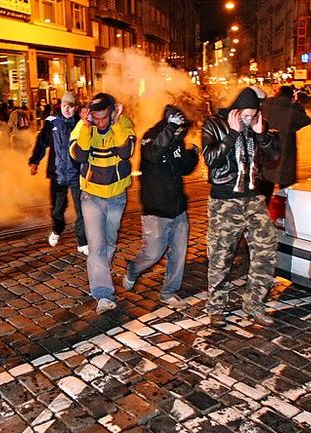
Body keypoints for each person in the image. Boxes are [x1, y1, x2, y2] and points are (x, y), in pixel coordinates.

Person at [202, 87, 280, 328]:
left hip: (253, 197)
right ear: (236, 112)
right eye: (246, 115)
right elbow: (210, 159)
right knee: (220, 255)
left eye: (253, 115)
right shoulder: (214, 124)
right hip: (224, 200)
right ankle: (216, 307)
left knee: (267, 247)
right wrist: (233, 134)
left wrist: (261, 135)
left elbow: (274, 155)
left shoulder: (259, 125)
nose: (249, 120)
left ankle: (255, 302)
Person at [123, 105, 199, 309]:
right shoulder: (151, 137)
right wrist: (170, 129)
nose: (183, 131)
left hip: (178, 207)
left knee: (179, 253)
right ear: (170, 123)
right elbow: (153, 154)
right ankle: (133, 268)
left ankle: (168, 291)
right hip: (156, 210)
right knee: (153, 253)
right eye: (180, 126)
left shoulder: (177, 140)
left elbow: (183, 167)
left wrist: (193, 155)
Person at [69, 93, 135, 314]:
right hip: (91, 196)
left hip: (116, 197)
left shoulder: (123, 123)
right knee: (96, 246)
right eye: (95, 118)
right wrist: (87, 128)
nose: (100, 122)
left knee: (109, 241)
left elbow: (126, 151)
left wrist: (115, 124)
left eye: (104, 117)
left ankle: (100, 273)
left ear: (112, 112)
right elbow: (78, 155)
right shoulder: (83, 127)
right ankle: (103, 294)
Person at [28, 92, 87, 255]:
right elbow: (41, 142)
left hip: (77, 173)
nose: (68, 109)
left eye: (71, 106)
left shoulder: (81, 123)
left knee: (81, 209)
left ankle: (82, 241)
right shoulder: (51, 122)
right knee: (57, 208)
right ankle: (57, 228)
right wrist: (34, 161)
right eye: (65, 106)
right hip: (57, 174)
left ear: (76, 108)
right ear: (60, 105)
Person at [260, 85, 311, 203]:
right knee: (286, 191)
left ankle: (262, 215)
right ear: (291, 96)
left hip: (266, 149)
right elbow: (305, 120)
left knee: (264, 188)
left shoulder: (266, 105)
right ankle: (282, 215)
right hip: (286, 153)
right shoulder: (291, 109)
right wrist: (296, 104)